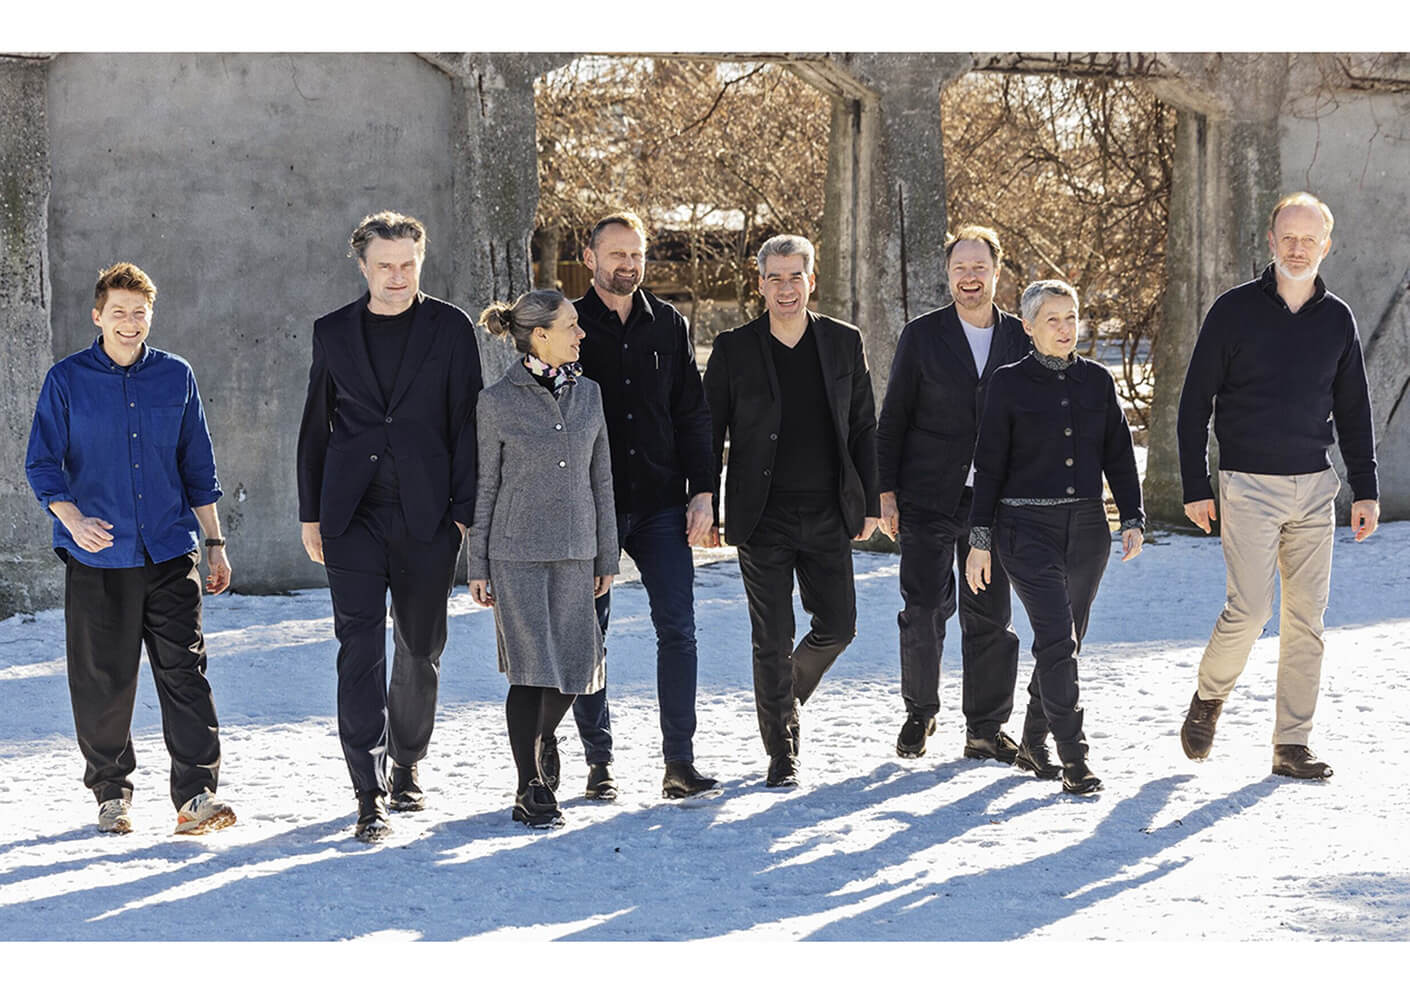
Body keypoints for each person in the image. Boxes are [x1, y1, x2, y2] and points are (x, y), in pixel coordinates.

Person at [25, 261, 237, 836]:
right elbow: (42, 463)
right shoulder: (66, 380)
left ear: (150, 317)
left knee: (186, 675)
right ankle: (112, 795)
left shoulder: (175, 376)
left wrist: (214, 543)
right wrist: (71, 519)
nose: (129, 323)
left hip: (171, 551)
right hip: (99, 558)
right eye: (118, 312)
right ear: (98, 316)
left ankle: (196, 796)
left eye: (139, 313)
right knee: (104, 681)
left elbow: (198, 465)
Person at [1176, 192, 1379, 780]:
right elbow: (1194, 407)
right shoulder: (1233, 312)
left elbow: (1355, 410)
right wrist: (1196, 484)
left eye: (1308, 239)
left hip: (1316, 487)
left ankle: (1291, 743)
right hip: (1248, 485)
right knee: (1251, 609)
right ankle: (1210, 696)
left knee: (1307, 619)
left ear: (1326, 246)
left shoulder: (1337, 319)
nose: (1297, 248)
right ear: (1271, 241)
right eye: (1287, 237)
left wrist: (1363, 489)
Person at [296, 211, 482, 841]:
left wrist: (462, 515)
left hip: (429, 517)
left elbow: (467, 424)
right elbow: (315, 426)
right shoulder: (333, 332)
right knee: (359, 649)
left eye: (407, 265)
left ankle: (407, 762)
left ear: (419, 263)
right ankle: (366, 788)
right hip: (352, 515)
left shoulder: (451, 328)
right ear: (363, 266)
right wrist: (311, 513)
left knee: (422, 647)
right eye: (385, 266)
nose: (397, 276)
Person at [553, 210, 719, 802]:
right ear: (591, 257)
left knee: (678, 628)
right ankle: (600, 763)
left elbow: (692, 414)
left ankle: (680, 761)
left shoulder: (668, 324)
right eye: (615, 254)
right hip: (589, 506)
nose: (627, 265)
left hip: (659, 505)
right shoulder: (566, 325)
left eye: (636, 254)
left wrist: (703, 490)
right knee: (587, 634)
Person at [703, 234, 880, 788]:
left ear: (811, 280)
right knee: (771, 638)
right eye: (774, 278)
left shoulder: (843, 343)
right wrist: (704, 499)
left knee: (839, 625)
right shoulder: (733, 349)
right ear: (760, 284)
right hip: (763, 516)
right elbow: (709, 433)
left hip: (829, 510)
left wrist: (870, 501)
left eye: (794, 277)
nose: (785, 288)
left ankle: (785, 694)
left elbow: (863, 427)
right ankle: (782, 750)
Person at [964, 279, 1144, 795]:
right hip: (1024, 530)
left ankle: (1033, 739)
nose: (1065, 329)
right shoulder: (1007, 383)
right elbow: (989, 464)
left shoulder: (1097, 379)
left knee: (1067, 642)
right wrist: (980, 540)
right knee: (1056, 639)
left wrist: (1131, 516)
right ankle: (1075, 761)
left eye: (1071, 318)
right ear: (1029, 327)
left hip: (1088, 529)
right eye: (1052, 320)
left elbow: (1118, 453)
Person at [875, 225, 1029, 763]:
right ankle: (920, 712)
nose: (970, 277)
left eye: (979, 267)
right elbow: (893, 416)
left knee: (989, 614)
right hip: (927, 496)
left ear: (997, 271)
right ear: (948, 275)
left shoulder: (1020, 336)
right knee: (923, 609)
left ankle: (985, 728)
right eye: (960, 268)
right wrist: (885, 492)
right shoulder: (922, 335)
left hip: (996, 502)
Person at [469, 290, 618, 828]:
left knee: (577, 667)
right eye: (572, 326)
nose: (581, 334)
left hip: (579, 551)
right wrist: (478, 564)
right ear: (540, 335)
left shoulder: (591, 394)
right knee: (530, 673)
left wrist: (607, 552)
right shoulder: (496, 401)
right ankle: (529, 786)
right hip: (517, 554)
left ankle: (541, 738)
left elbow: (601, 479)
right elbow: (485, 486)